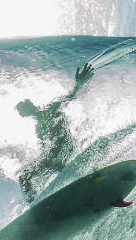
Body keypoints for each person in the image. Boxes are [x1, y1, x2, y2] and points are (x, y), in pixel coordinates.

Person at [16, 62, 95, 201]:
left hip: (64, 150)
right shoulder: (38, 126)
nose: (22, 113)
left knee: (37, 168)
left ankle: (89, 179)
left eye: (22, 109)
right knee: (24, 176)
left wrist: (79, 83)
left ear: (30, 105)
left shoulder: (51, 108)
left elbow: (70, 96)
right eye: (21, 112)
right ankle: (35, 203)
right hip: (55, 157)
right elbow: (45, 147)